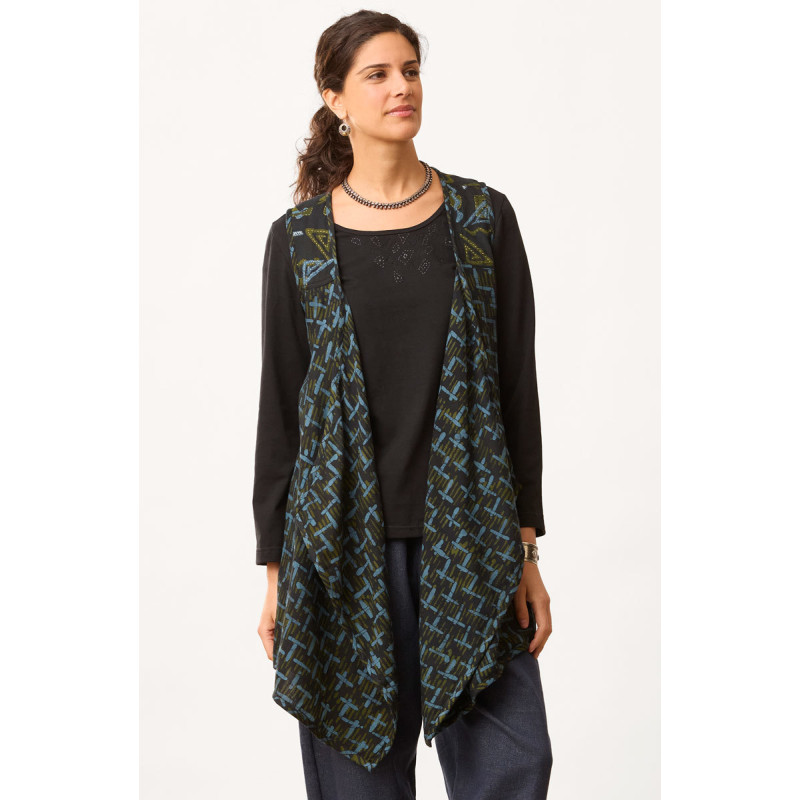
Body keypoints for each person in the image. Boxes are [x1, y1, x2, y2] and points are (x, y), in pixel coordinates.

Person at [253, 10, 554, 799]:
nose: (402, 88)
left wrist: (527, 553)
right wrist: (277, 572)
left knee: (516, 763)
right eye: (378, 75)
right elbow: (281, 411)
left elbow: (516, 390)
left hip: (473, 539)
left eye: (411, 70)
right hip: (341, 550)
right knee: (361, 783)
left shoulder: (482, 218)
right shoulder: (300, 240)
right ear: (335, 98)